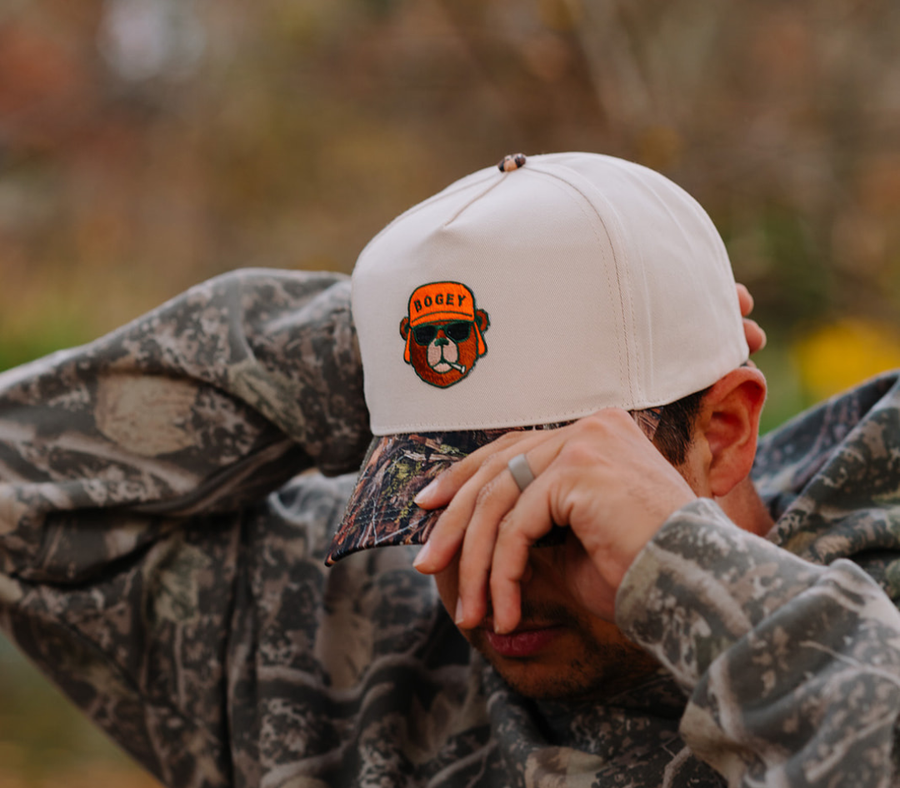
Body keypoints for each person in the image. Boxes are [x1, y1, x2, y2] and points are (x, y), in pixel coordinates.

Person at [0, 152, 899, 788]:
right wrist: (390, 354)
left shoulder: (871, 614)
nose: (483, 594)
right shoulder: (346, 625)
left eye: (550, 512)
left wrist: (690, 572)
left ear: (726, 431)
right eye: (429, 501)